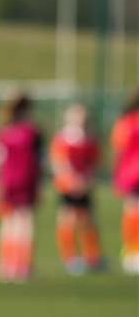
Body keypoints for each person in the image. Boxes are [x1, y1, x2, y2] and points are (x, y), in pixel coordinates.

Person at [0, 90, 43, 282]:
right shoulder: (32, 133)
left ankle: (6, 265)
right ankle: (23, 265)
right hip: (26, 181)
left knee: (8, 223)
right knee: (25, 222)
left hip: (8, 182)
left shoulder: (4, 133)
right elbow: (39, 160)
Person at [49, 102, 104, 273]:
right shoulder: (63, 139)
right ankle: (70, 257)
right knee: (68, 219)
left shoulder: (89, 140)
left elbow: (94, 163)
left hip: (84, 186)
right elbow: (59, 163)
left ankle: (93, 256)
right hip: (68, 186)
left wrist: (87, 180)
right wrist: (71, 180)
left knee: (88, 221)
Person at [111, 88, 139, 274]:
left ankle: (132, 251)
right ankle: (133, 251)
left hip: (130, 172)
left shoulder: (126, 122)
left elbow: (118, 147)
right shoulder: (128, 122)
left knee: (132, 210)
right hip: (133, 172)